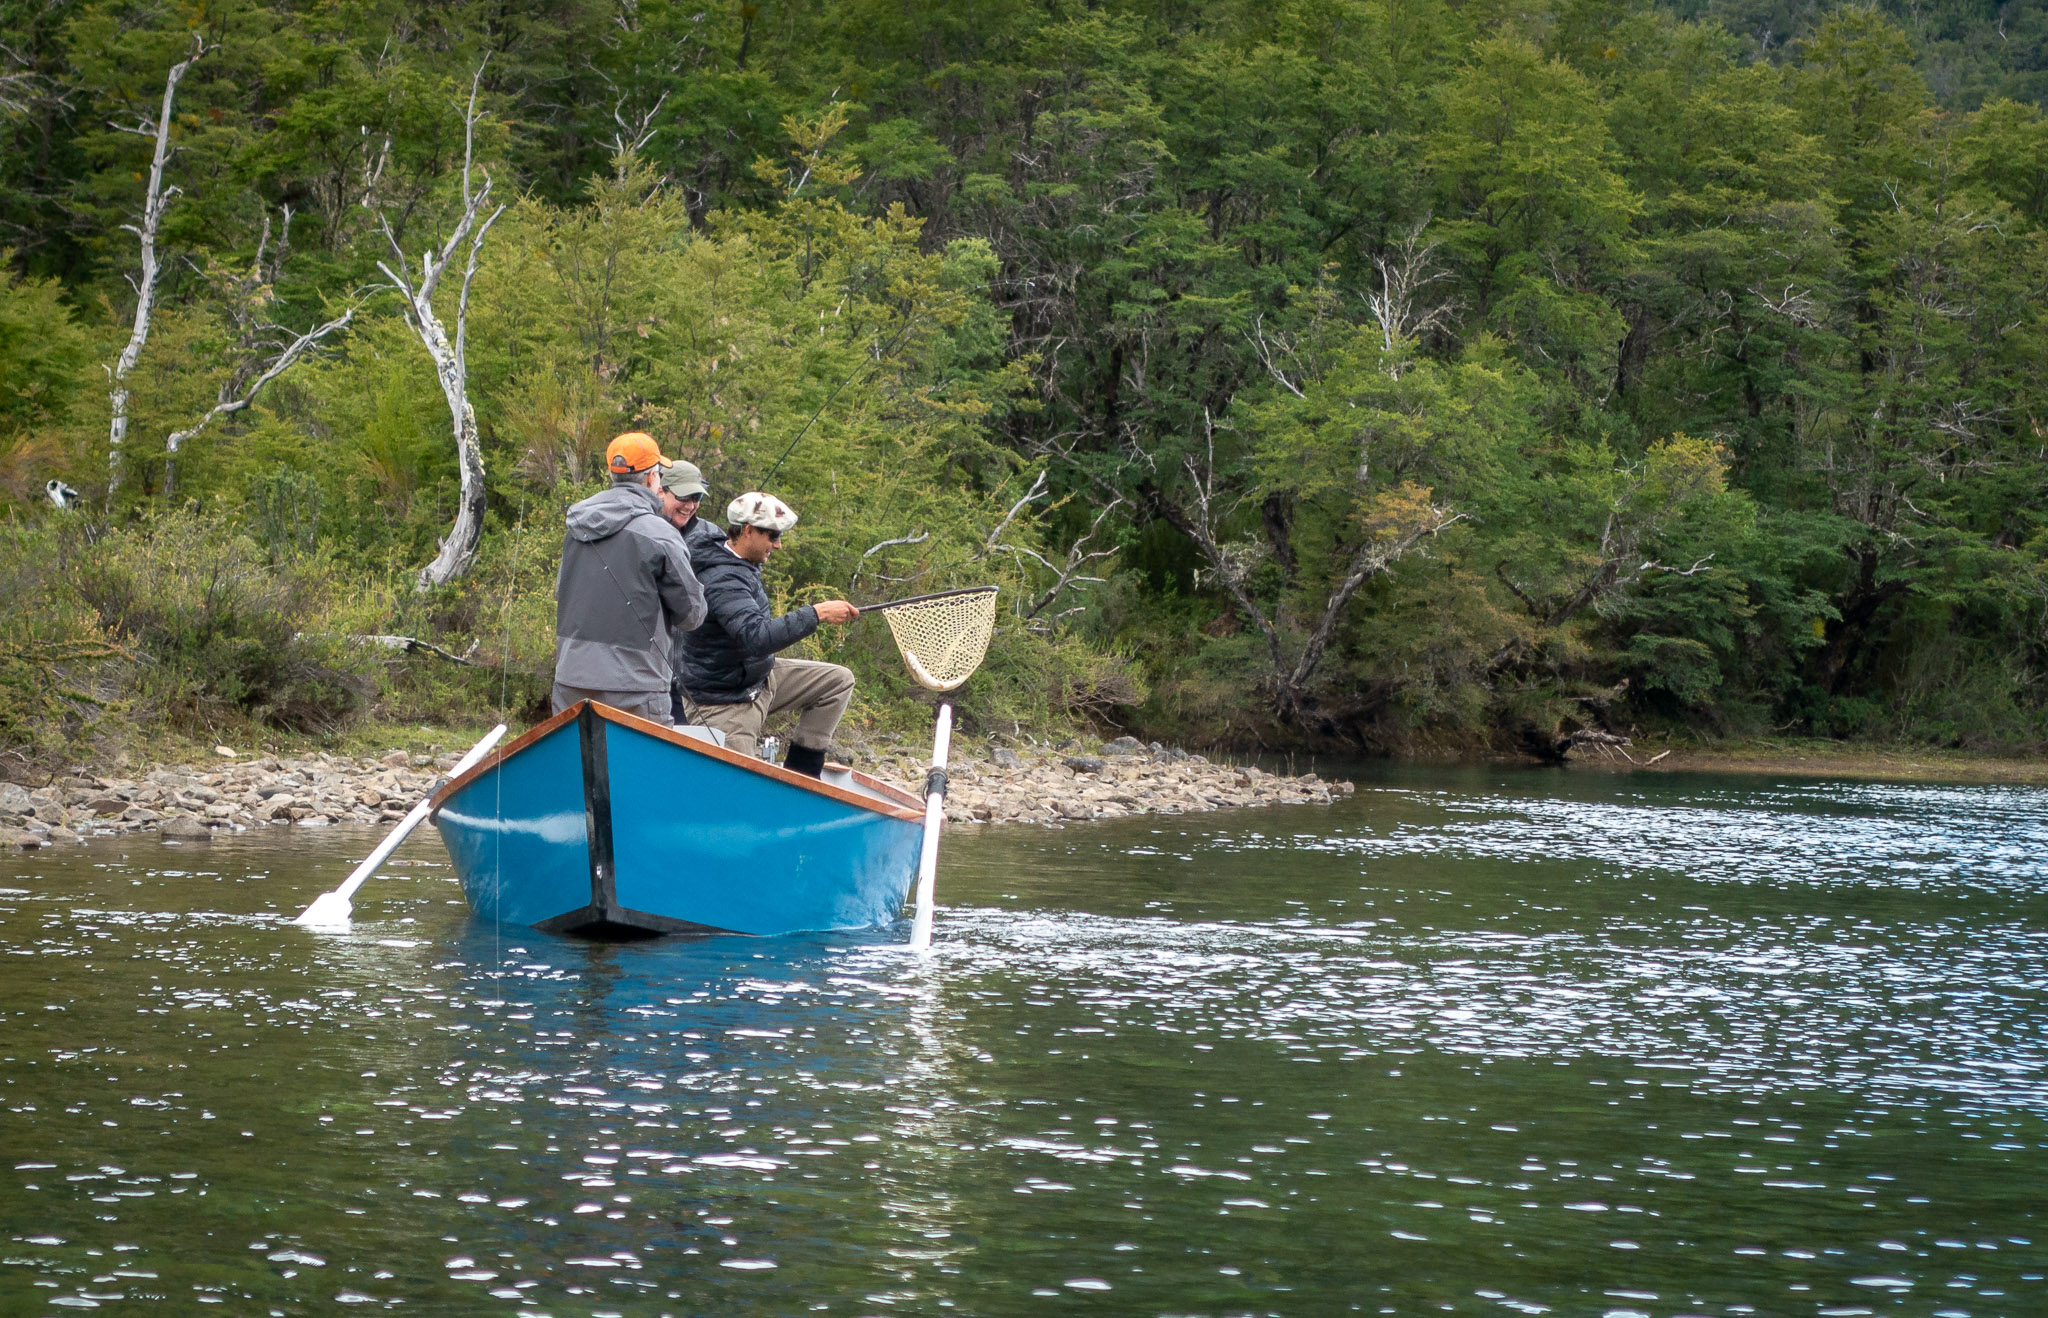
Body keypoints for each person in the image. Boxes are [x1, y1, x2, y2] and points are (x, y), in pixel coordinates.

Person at [675, 492, 860, 776]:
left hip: (756, 679)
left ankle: (801, 778)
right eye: (773, 536)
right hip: (723, 701)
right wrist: (817, 613)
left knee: (838, 682)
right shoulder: (723, 578)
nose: (778, 545)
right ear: (747, 531)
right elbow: (757, 637)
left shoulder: (740, 560)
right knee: (738, 786)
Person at [551, 432, 706, 721]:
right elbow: (692, 616)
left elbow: (564, 594)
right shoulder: (661, 535)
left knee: (577, 766)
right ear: (651, 479)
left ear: (613, 474)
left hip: (570, 680)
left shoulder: (576, 528)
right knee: (643, 767)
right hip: (637, 689)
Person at [655, 459, 726, 553]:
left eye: (697, 497)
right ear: (661, 492)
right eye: (684, 496)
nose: (690, 506)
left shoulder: (711, 534)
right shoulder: (644, 530)